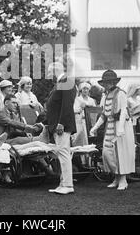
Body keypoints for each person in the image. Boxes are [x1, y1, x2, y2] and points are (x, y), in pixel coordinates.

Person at [90, 70, 135, 191]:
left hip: (121, 126)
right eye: (105, 82)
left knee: (120, 153)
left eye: (109, 82)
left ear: (114, 82)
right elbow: (104, 115)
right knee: (107, 153)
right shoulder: (105, 95)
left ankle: (123, 179)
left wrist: (120, 129)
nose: (107, 84)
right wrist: (94, 128)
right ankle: (116, 177)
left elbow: (123, 111)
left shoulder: (121, 94)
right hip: (109, 126)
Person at [45, 58, 77, 195]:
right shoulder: (60, 83)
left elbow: (67, 105)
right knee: (62, 153)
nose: (48, 75)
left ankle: (68, 185)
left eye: (48, 72)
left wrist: (61, 123)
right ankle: (63, 183)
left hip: (61, 125)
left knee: (63, 153)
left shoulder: (67, 81)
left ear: (55, 70)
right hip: (57, 125)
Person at [73, 82, 95, 146]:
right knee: (79, 140)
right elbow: (73, 110)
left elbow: (94, 112)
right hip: (79, 122)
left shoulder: (91, 100)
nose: (85, 90)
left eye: (87, 89)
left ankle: (89, 155)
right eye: (84, 89)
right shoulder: (77, 99)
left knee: (89, 139)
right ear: (81, 90)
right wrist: (81, 108)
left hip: (89, 123)